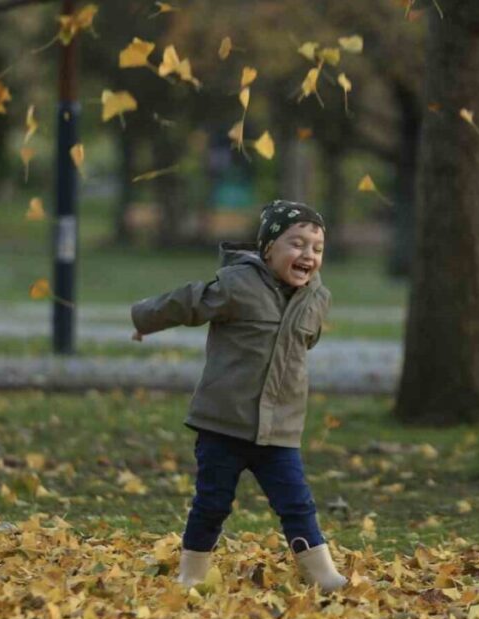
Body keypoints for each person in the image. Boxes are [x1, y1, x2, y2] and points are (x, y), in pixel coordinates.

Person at [131, 200, 346, 593]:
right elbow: (188, 302)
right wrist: (145, 318)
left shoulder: (318, 299)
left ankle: (322, 574)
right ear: (268, 249)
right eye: (296, 244)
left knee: (297, 504)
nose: (308, 255)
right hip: (223, 425)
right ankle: (191, 574)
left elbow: (304, 345)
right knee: (212, 504)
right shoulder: (236, 285)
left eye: (316, 248)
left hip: (279, 430)